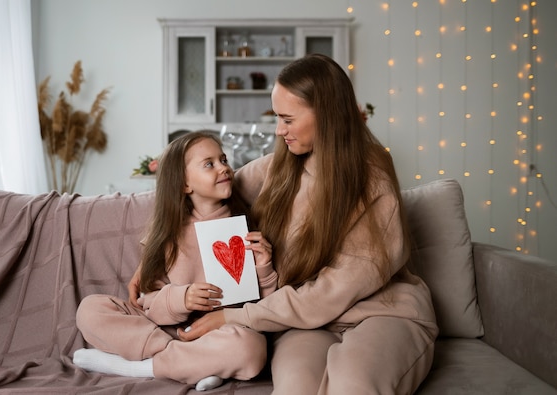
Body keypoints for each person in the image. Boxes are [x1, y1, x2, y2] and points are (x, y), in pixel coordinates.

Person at [176, 54, 439, 394]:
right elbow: (205, 193)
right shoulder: (281, 165)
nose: (278, 129)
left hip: (384, 313)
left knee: (352, 386)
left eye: (287, 119)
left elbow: (329, 294)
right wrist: (153, 253)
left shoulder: (373, 179)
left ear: (327, 116)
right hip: (303, 324)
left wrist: (236, 316)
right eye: (277, 117)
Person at [74, 131, 277, 391]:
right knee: (90, 309)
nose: (224, 168)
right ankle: (195, 364)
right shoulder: (169, 234)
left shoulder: (245, 228)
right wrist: (182, 298)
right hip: (167, 333)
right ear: (184, 185)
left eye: (223, 159)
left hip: (222, 333)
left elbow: (262, 307)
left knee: (251, 348)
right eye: (209, 164)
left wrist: (265, 267)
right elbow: (148, 302)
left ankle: (148, 367)